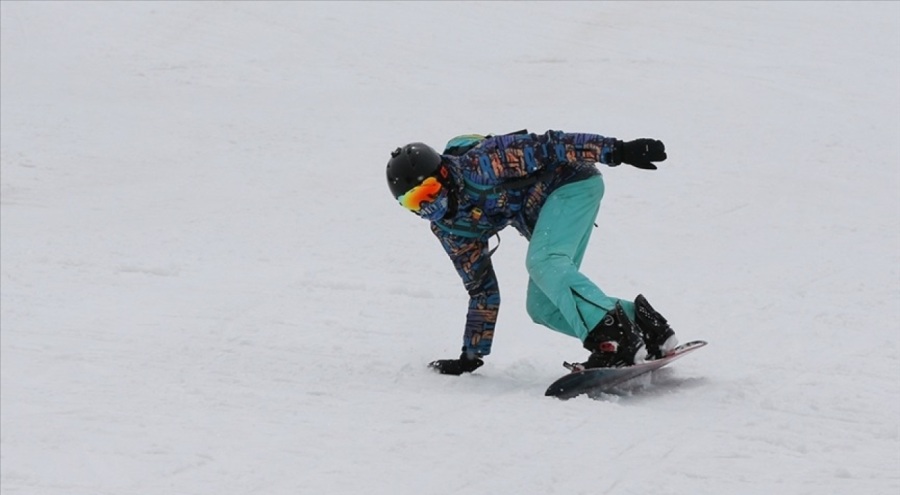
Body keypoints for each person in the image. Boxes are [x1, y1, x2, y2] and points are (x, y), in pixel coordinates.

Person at [385, 129, 678, 375]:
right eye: (414, 202)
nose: (428, 206)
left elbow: (552, 145)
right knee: (542, 308)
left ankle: (614, 341)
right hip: (550, 212)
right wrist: (470, 356)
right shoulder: (451, 229)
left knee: (543, 262)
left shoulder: (483, 163)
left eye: (429, 191)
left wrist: (618, 150)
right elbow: (482, 290)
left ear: (444, 173)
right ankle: (646, 327)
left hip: (571, 184)